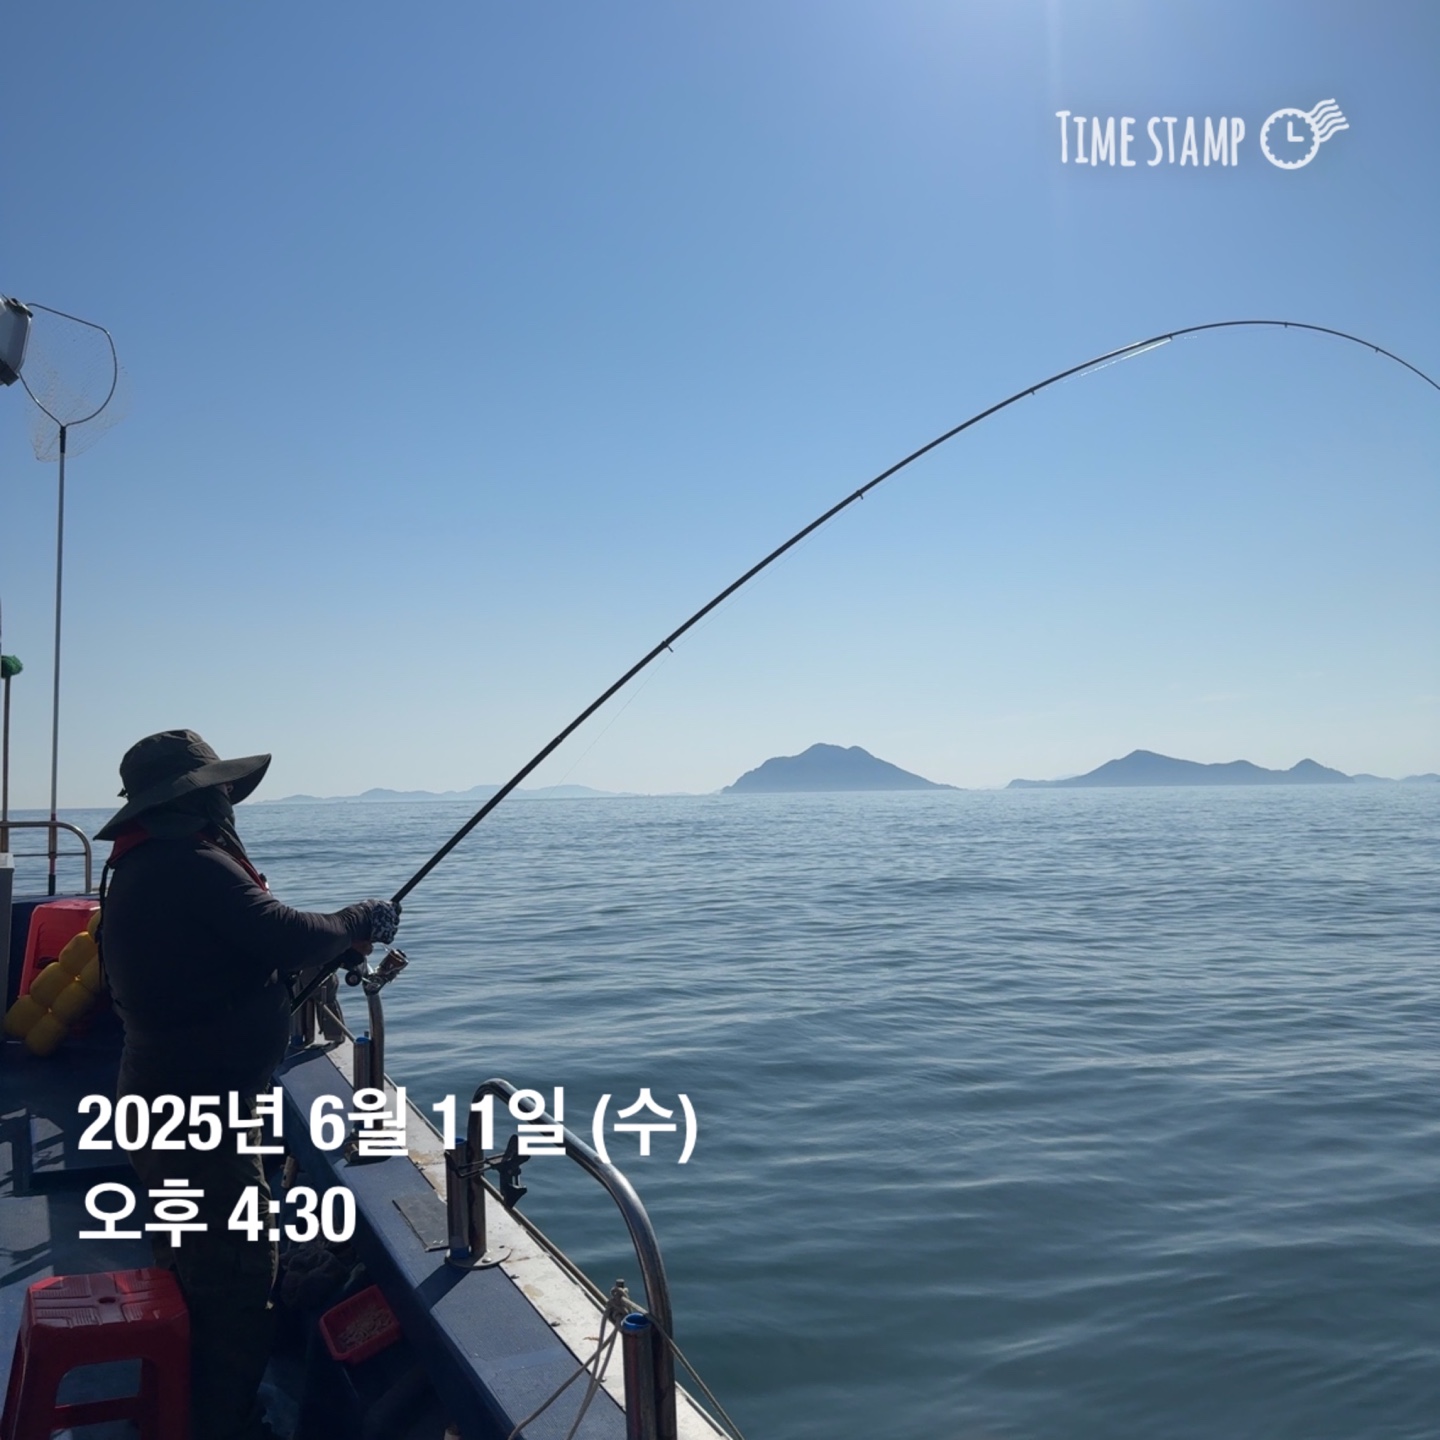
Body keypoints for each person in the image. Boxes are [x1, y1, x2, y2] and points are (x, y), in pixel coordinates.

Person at [95, 729, 399, 1440]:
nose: (227, 800)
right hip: (195, 1114)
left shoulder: (151, 862)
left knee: (191, 1268)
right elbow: (283, 932)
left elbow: (231, 957)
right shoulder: (186, 862)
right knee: (234, 1282)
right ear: (194, 797)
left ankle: (180, 1406)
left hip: (169, 1098)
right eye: (218, 789)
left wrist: (332, 946)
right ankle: (219, 1425)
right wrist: (359, 919)